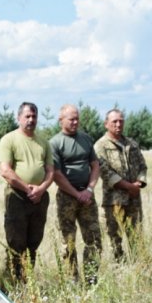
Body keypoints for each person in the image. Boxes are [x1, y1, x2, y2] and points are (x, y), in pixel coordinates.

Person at [0, 102, 54, 282]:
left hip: (39, 198)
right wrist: (27, 188)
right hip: (17, 197)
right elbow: (6, 171)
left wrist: (41, 188)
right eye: (27, 116)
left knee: (33, 241)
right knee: (16, 242)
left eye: (34, 116)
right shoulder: (9, 140)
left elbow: (51, 171)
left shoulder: (43, 142)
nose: (31, 120)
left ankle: (26, 281)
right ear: (19, 117)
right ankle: (11, 283)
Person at [50, 104, 102, 283]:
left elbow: (95, 166)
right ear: (61, 120)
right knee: (68, 242)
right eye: (71, 119)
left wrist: (89, 190)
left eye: (77, 118)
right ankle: (73, 280)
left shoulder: (86, 139)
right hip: (67, 198)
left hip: (87, 197)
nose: (75, 122)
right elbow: (56, 174)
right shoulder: (55, 143)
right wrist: (75, 193)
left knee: (94, 239)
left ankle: (91, 279)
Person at [95, 109, 148, 260]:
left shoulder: (132, 144)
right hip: (114, 201)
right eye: (114, 122)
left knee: (136, 237)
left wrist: (139, 182)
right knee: (115, 240)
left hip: (134, 200)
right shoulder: (100, 146)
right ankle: (119, 270)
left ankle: (138, 268)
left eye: (121, 121)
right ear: (106, 124)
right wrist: (129, 186)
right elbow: (105, 172)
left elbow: (142, 166)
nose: (118, 124)